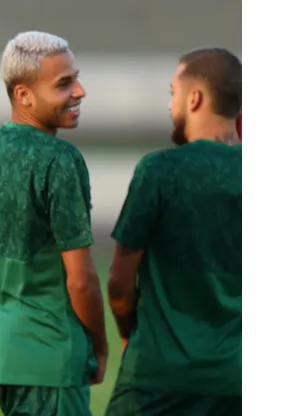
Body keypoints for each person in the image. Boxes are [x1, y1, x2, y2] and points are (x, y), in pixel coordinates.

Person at [0, 31, 108, 416]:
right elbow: (82, 279)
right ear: (23, 95)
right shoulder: (60, 159)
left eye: (76, 78)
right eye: (64, 84)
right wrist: (99, 345)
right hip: (50, 351)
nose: (80, 91)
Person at [105, 47, 242, 416]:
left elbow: (119, 285)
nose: (170, 106)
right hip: (238, 379)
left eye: (173, 94)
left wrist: (127, 333)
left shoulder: (159, 170)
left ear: (194, 98)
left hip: (158, 376)